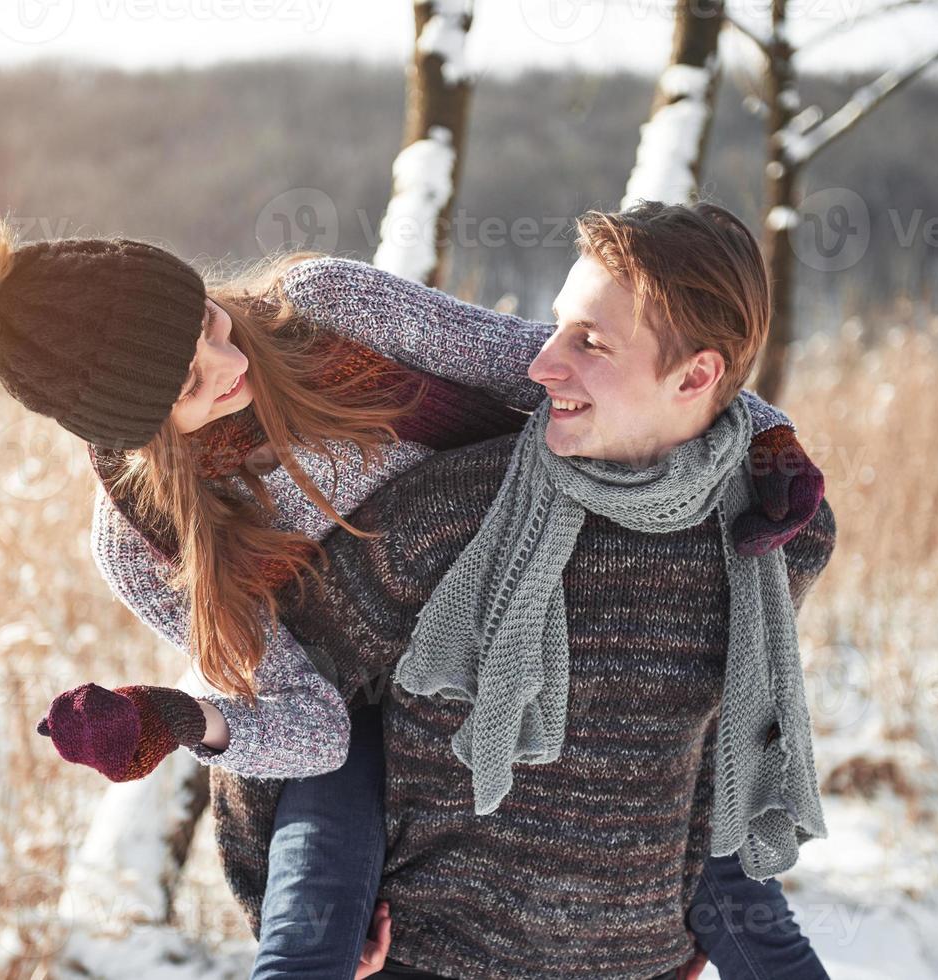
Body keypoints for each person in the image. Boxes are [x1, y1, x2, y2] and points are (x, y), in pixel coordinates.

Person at [0, 206, 829, 979]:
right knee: (309, 922)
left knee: (710, 831)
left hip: (531, 596)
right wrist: (179, 718)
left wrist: (763, 441)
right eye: (187, 381)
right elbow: (307, 725)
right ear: (127, 424)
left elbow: (570, 368)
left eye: (209, 322)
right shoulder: (143, 539)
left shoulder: (327, 311)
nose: (230, 364)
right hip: (360, 701)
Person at [209, 200, 838, 978]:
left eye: (590, 341)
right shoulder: (442, 513)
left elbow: (723, 750)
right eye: (555, 325)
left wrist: (693, 929)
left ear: (697, 375)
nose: (541, 364)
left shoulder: (773, 535)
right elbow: (282, 702)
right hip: (424, 959)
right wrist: (298, 921)